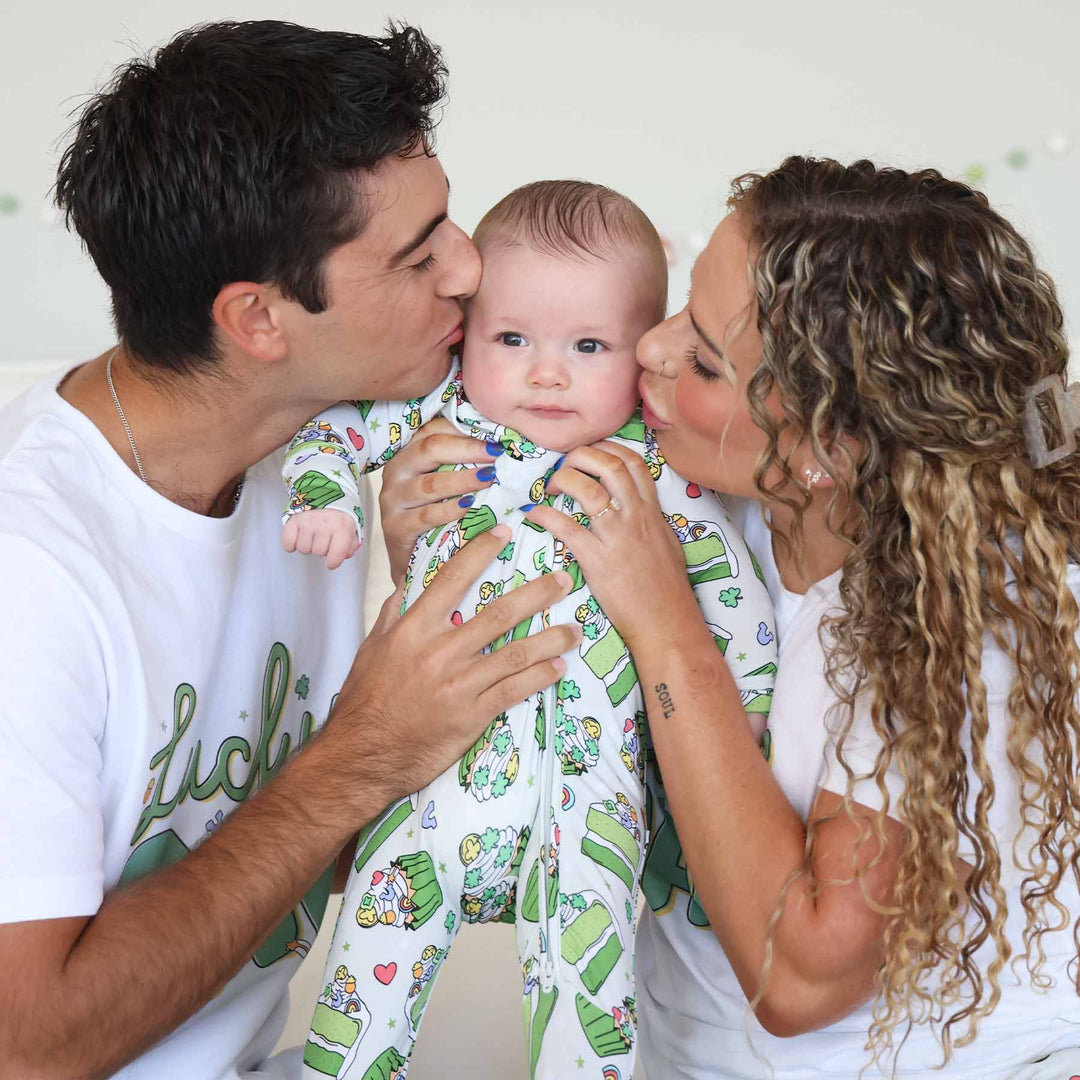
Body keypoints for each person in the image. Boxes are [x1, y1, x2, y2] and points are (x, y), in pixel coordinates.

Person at [0, 21, 579, 1080]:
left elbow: (319, 850)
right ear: (259, 320)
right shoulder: (27, 581)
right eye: (421, 251)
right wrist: (361, 751)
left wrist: (422, 607)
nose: (469, 269)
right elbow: (26, 1046)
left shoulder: (319, 459)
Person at [509, 156, 1080, 1077]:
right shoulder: (725, 493)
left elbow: (800, 979)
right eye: (679, 313)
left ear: (827, 447)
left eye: (701, 357)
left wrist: (667, 626)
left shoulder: (958, 624)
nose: (646, 350)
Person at [280, 180, 777, 1079]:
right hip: (427, 782)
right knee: (364, 990)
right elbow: (331, 430)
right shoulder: (438, 426)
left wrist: (751, 706)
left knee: (588, 1006)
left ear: (644, 355)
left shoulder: (653, 473)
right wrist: (326, 502)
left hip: (585, 802)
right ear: (465, 334)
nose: (547, 373)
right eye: (513, 339)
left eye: (589, 346)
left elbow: (730, 589)